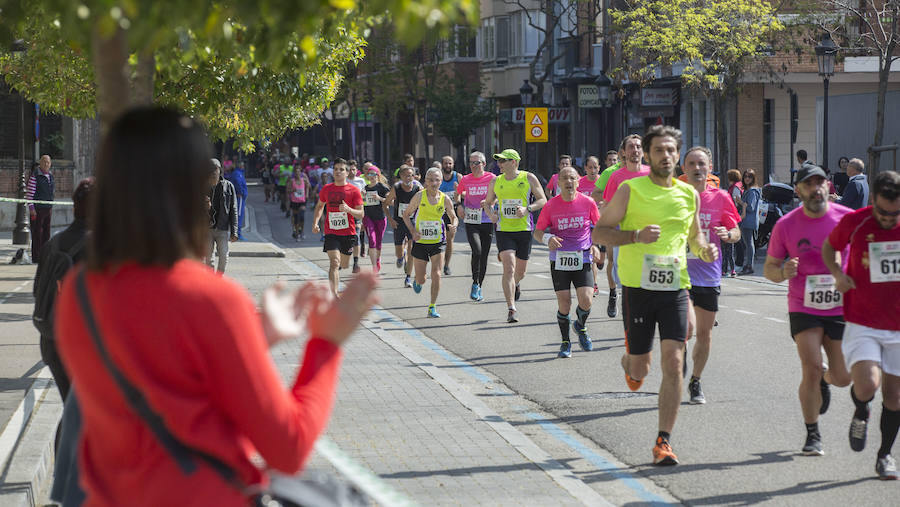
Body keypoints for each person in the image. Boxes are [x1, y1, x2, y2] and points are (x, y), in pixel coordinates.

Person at [53, 107, 379, 507]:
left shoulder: (78, 292)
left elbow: (164, 376)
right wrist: (325, 345)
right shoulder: (212, 298)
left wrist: (259, 334)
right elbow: (287, 447)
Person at [592, 125, 716, 466]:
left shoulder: (688, 194)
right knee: (640, 369)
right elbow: (600, 231)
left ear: (678, 155)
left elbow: (696, 237)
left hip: (675, 287)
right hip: (638, 289)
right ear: (647, 155)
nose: (666, 156)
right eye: (658, 150)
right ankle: (630, 362)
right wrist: (634, 237)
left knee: (674, 362)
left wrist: (705, 250)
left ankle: (663, 441)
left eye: (671, 150)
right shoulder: (631, 191)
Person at [763, 164, 853, 456]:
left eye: (820, 182)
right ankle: (812, 433)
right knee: (810, 366)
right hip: (804, 305)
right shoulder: (786, 225)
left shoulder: (848, 218)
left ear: (829, 186)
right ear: (799, 190)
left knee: (843, 377)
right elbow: (769, 269)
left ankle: (827, 379)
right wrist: (784, 272)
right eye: (809, 184)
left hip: (840, 305)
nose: (816, 188)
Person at [823, 170, 900, 480]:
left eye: (895, 213)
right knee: (867, 384)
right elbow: (829, 248)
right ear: (872, 201)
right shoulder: (857, 221)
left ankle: (884, 455)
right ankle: (861, 410)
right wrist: (839, 275)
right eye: (882, 211)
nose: (888, 218)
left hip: (897, 324)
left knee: (894, 397)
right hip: (863, 318)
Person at [682, 147, 742, 405]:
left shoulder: (721, 197)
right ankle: (678, 362)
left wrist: (729, 236)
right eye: (692, 163)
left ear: (709, 168)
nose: (697, 168)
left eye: (701, 164)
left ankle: (695, 380)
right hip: (678, 275)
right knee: (687, 328)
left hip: (708, 276)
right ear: (683, 168)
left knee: (704, 335)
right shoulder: (674, 195)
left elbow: (735, 229)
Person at [34, 177, 94, 403]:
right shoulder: (100, 247)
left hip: (51, 341)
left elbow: (38, 290)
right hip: (84, 343)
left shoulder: (52, 244)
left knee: (71, 407)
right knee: (81, 413)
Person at [534, 166, 600, 357]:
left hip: (583, 257)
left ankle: (580, 325)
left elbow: (599, 227)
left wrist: (596, 245)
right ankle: (565, 343)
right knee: (564, 304)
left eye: (572, 178)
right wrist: (548, 239)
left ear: (578, 182)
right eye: (564, 178)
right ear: (558, 183)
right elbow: (537, 233)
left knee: (586, 300)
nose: (569, 181)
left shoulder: (588, 203)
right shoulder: (551, 205)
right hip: (560, 259)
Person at [481, 149, 548, 323]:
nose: (499, 164)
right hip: (504, 230)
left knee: (520, 271)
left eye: (503, 161)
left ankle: (516, 284)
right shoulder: (496, 181)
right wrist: (491, 215)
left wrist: (528, 209)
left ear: (514, 162)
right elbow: (487, 203)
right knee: (508, 268)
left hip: (524, 230)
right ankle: (511, 309)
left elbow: (543, 200)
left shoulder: (528, 178)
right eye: (499, 161)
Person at [599, 135, 651, 319]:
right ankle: (631, 318)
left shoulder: (652, 174)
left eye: (638, 147)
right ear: (624, 152)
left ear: (643, 151)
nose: (635, 150)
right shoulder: (616, 177)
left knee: (649, 277)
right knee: (627, 278)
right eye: (631, 147)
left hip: (649, 234)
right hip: (624, 234)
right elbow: (607, 204)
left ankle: (644, 317)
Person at [402, 167, 459, 317]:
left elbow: (454, 216)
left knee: (437, 274)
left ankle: (432, 306)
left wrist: (454, 225)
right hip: (421, 241)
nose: (434, 183)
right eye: (431, 180)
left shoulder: (445, 198)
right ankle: (417, 280)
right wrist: (413, 231)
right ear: (425, 181)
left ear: (441, 181)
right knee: (422, 279)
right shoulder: (419, 197)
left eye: (437, 180)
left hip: (438, 241)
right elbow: (406, 215)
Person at [312, 158, 365, 297]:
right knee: (334, 262)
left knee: (344, 264)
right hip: (331, 232)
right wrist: (316, 223)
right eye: (335, 169)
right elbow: (319, 206)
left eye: (341, 169)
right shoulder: (327, 189)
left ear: (347, 173)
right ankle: (334, 294)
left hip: (348, 233)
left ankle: (338, 283)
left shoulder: (354, 191)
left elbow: (361, 213)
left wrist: (349, 210)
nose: (338, 172)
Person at [456, 151, 496, 301]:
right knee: (477, 251)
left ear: (483, 164)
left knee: (484, 255)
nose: (473, 166)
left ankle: (479, 285)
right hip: (471, 220)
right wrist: (459, 205)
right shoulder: (466, 179)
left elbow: (498, 195)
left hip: (486, 219)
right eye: (471, 163)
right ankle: (474, 282)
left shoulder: (492, 178)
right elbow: (458, 193)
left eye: (476, 163)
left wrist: (492, 203)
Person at [385, 165, 421, 287]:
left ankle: (408, 278)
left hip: (412, 223)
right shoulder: (396, 188)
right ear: (401, 176)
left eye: (410, 175)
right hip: (399, 223)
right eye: (405, 175)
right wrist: (390, 219)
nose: (408, 178)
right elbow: (385, 204)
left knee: (411, 249)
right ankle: (401, 257)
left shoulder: (418, 189)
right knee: (399, 253)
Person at [578, 156, 606, 296]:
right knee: (591, 256)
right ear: (585, 169)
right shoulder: (579, 183)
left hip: (601, 223)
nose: (593, 170)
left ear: (599, 168)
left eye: (595, 167)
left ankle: (601, 261)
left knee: (600, 258)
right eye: (590, 167)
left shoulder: (603, 181)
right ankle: (594, 284)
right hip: (585, 225)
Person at [205, 159, 238, 273]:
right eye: (210, 169)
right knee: (209, 259)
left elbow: (233, 209)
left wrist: (235, 231)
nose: (213, 172)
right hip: (206, 229)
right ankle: (211, 283)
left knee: (223, 256)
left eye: (215, 169)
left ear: (220, 170)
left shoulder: (228, 186)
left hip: (222, 228)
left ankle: (219, 278)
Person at [26, 155, 54, 262]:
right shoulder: (35, 176)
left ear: (50, 164)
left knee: (46, 234)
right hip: (37, 210)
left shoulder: (51, 176)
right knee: (37, 234)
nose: (46, 164)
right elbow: (29, 195)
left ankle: (45, 255)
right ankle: (37, 257)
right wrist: (32, 209)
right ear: (40, 163)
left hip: (48, 209)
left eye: (48, 162)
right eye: (44, 162)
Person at [362, 166, 390, 273]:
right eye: (370, 174)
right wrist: (363, 196)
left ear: (378, 175)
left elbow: (390, 201)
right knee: (372, 241)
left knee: (378, 243)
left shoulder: (382, 187)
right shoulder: (365, 188)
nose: (372, 176)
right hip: (368, 217)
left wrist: (379, 198)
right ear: (367, 176)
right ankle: (374, 267)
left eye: (374, 174)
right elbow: (361, 202)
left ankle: (377, 260)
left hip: (381, 218)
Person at [439, 156, 460, 276]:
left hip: (452, 212)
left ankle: (446, 265)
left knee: (450, 239)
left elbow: (465, 193)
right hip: (439, 212)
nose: (448, 165)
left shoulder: (458, 177)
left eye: (450, 163)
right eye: (446, 163)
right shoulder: (438, 177)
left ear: (453, 164)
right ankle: (439, 262)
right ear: (442, 164)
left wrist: (459, 192)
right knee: (440, 239)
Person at [738, 168, 762, 275]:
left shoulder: (752, 191)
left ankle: (749, 266)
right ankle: (748, 265)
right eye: (746, 176)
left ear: (753, 178)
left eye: (750, 176)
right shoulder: (749, 190)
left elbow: (751, 207)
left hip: (748, 220)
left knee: (749, 243)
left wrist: (740, 202)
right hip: (747, 220)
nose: (747, 178)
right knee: (748, 244)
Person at [722, 169, 744, 277]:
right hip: (732, 217)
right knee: (730, 248)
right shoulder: (738, 186)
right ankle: (730, 269)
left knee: (728, 248)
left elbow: (736, 201)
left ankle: (729, 269)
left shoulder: (735, 188)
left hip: (731, 218)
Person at [347, 161, 367, 273]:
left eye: (354, 169)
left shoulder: (361, 181)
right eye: (350, 169)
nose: (352, 171)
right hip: (345, 213)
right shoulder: (343, 182)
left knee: (356, 236)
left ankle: (355, 263)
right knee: (345, 237)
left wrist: (363, 193)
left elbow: (364, 195)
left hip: (357, 211)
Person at [225, 160, 248, 240]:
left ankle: (236, 233)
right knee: (238, 215)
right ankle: (237, 234)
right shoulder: (238, 174)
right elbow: (238, 184)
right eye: (242, 165)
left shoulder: (237, 173)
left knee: (237, 214)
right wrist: (241, 192)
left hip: (239, 197)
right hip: (239, 197)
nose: (244, 167)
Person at [288, 165, 310, 240]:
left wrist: (306, 194)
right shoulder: (292, 181)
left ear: (300, 173)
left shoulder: (303, 179)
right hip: (294, 201)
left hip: (302, 200)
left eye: (299, 172)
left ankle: (302, 231)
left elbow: (308, 186)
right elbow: (288, 190)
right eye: (296, 172)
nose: (297, 173)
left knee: (302, 216)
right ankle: (297, 233)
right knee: (296, 217)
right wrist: (292, 191)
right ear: (294, 173)